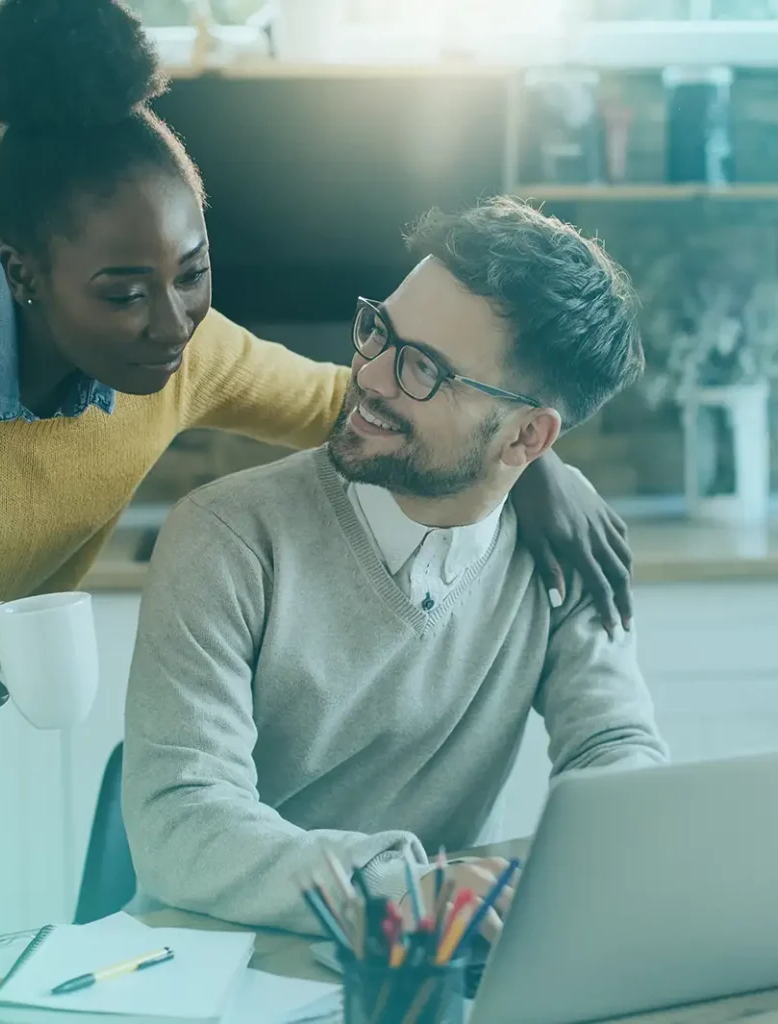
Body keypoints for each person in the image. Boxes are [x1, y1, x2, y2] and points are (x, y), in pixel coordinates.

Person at [0, 3, 629, 1021]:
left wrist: (537, 462)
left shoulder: (179, 353)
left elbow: (370, 408)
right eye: (124, 291)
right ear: (25, 273)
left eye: (195, 272)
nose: (171, 325)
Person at [122, 197, 669, 938]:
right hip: (226, 971)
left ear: (526, 439)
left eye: (424, 369)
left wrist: (604, 854)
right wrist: (409, 894)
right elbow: (180, 823)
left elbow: (616, 746)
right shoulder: (229, 536)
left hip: (435, 965)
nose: (371, 375)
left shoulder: (568, 549)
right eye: (379, 330)